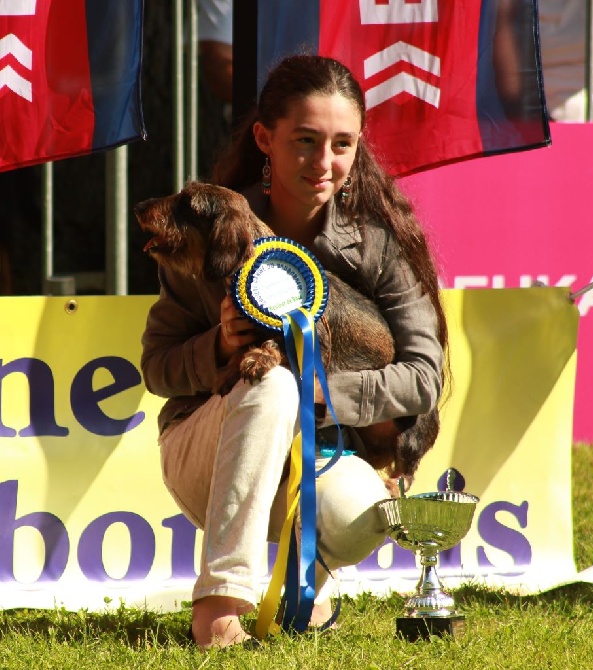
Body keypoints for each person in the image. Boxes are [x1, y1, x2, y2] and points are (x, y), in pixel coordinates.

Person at [140, 54, 448, 650]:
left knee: (359, 512)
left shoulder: (377, 245)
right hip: (205, 452)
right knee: (270, 383)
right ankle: (221, 605)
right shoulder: (210, 231)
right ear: (264, 138)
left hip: (320, 457)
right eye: (305, 140)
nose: (324, 162)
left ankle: (306, 582)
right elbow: (157, 365)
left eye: (342, 143)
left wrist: (323, 395)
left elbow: (424, 377)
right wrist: (220, 348)